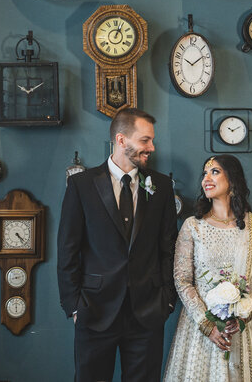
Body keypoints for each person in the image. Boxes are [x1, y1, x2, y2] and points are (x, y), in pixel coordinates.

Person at [57, 108, 178, 382]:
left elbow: (168, 246)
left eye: (152, 141)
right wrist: (74, 306)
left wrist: (167, 301)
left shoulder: (161, 186)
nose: (152, 147)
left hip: (147, 313)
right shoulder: (81, 185)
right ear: (121, 140)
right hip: (94, 310)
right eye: (145, 140)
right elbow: (67, 250)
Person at [164, 154, 252, 382]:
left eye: (214, 172)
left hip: (244, 330)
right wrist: (207, 325)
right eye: (204, 173)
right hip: (200, 330)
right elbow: (182, 280)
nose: (206, 178)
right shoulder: (193, 227)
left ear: (233, 181)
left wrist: (245, 310)